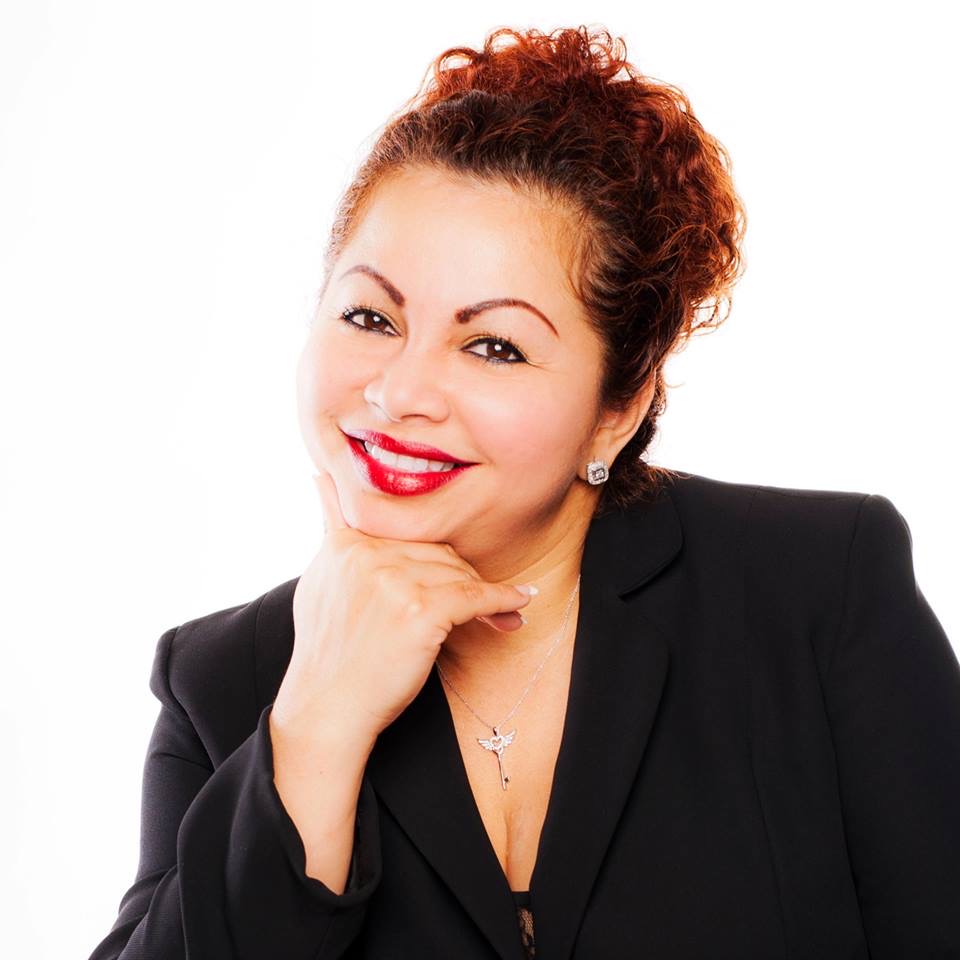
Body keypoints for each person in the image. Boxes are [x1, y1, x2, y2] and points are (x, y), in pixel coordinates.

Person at [87, 24, 960, 960]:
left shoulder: (816, 592)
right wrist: (317, 725)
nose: (401, 393)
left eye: (493, 346)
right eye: (370, 316)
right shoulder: (224, 682)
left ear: (617, 410)